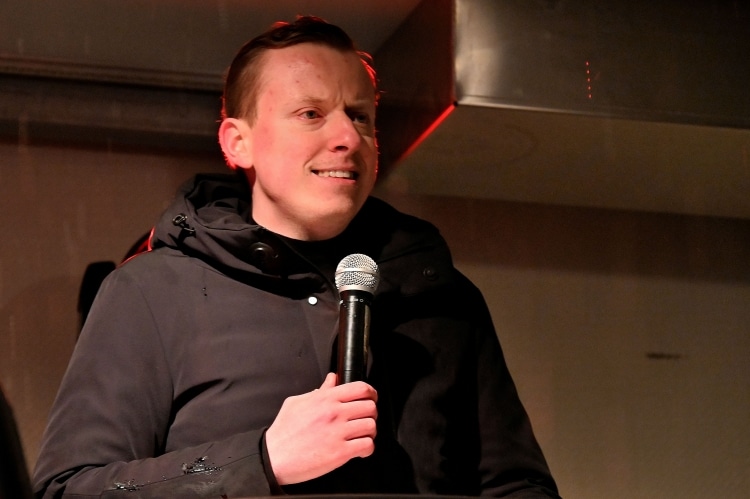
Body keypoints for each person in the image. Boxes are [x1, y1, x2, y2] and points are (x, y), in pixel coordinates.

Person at [33, 16, 560, 498]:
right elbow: (69, 489)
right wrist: (261, 460)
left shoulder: (443, 297)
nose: (348, 137)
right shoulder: (152, 292)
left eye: (361, 116)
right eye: (311, 113)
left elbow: (518, 486)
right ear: (238, 143)